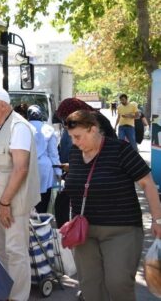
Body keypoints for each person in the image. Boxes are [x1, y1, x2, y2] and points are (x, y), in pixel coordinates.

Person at [63, 110, 161, 301]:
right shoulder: (75, 153)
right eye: (71, 137)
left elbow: (147, 183)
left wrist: (157, 219)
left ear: (93, 130)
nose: (75, 142)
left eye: (78, 136)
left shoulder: (119, 150)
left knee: (118, 283)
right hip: (84, 232)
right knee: (90, 284)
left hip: (121, 230)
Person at [0, 85, 39, 301]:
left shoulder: (18, 127)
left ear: (3, 106)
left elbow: (21, 168)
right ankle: (1, 293)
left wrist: (5, 203)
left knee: (15, 251)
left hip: (10, 203)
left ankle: (17, 297)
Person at [53, 97, 117, 226]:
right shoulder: (79, 122)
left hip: (99, 174)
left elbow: (97, 150)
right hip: (85, 173)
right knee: (62, 204)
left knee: (67, 204)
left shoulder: (94, 122)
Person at [27, 105, 61, 214]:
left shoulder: (23, 127)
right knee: (43, 199)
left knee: (28, 199)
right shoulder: (49, 129)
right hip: (45, 168)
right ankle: (41, 224)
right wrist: (58, 172)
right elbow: (53, 154)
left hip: (26, 166)